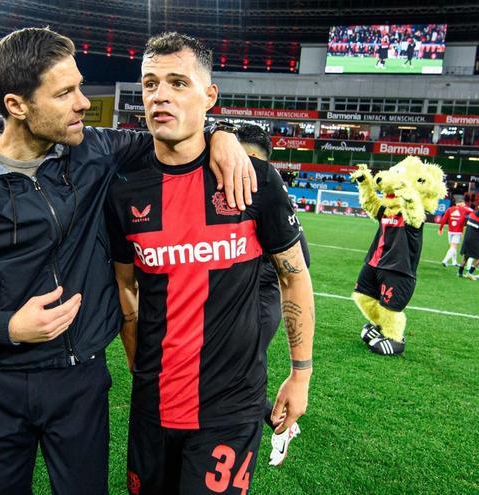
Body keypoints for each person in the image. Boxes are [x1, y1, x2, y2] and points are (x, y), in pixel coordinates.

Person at [0, 27, 254, 495]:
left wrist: (221, 134)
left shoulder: (94, 151)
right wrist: (5, 327)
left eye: (80, 86)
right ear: (17, 106)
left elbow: (172, 134)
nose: (83, 103)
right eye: (65, 93)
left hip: (79, 380)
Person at [106, 33, 314, 494]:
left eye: (179, 83)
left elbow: (294, 279)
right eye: (151, 83)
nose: (160, 95)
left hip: (230, 410)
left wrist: (300, 374)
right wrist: (141, 367)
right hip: (152, 407)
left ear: (209, 96)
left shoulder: (254, 180)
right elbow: (126, 288)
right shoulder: (123, 186)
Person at [236, 124, 311, 466]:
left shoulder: (270, 196)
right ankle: (274, 419)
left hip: (263, 298)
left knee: (241, 370)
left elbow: (299, 265)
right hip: (240, 297)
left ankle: (278, 424)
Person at [438, 197, 472, 267]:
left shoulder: (449, 209)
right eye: (464, 204)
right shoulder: (464, 209)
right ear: (461, 203)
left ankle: (454, 262)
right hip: (458, 232)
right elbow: (473, 211)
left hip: (450, 231)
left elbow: (444, 219)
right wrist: (465, 207)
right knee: (453, 247)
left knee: (452, 247)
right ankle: (445, 260)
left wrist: (440, 229)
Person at [458, 207, 479, 279]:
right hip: (475, 240)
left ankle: (459, 272)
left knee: (465, 257)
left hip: (467, 239)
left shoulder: (471, 215)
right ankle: (469, 273)